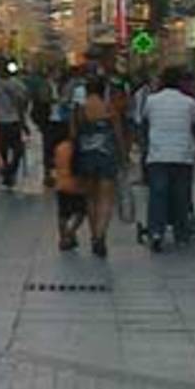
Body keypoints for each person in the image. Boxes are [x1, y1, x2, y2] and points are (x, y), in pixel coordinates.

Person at [141, 66, 195, 251]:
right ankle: (181, 232)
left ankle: (156, 231)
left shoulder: (151, 101)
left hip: (158, 155)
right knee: (181, 194)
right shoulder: (189, 102)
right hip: (182, 155)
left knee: (158, 193)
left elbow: (144, 119)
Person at [71, 76, 126, 257]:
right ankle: (101, 236)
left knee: (91, 198)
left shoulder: (80, 109)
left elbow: (73, 134)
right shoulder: (110, 108)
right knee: (106, 198)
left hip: (86, 158)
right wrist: (123, 158)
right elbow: (118, 137)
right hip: (106, 157)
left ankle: (94, 234)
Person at [0, 59, 30, 190]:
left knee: (8, 150)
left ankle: (8, 171)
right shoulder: (17, 84)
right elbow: (23, 103)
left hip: (2, 121)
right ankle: (9, 173)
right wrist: (23, 121)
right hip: (10, 121)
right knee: (15, 149)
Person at [53, 134, 86, 251]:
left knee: (63, 215)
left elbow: (56, 164)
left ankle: (63, 238)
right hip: (78, 186)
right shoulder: (82, 148)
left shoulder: (60, 148)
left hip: (62, 185)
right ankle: (71, 232)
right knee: (81, 212)